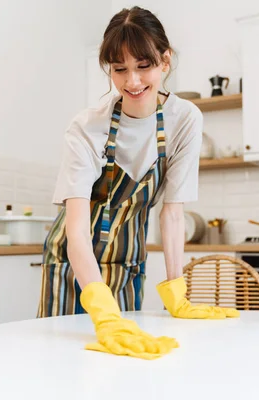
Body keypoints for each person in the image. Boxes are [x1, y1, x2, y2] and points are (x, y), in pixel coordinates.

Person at [37, 6, 238, 360]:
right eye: (120, 69)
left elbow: (172, 215)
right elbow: (77, 232)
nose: (132, 81)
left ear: (165, 61)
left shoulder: (185, 119)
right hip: (73, 265)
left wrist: (178, 294)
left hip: (129, 262)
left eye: (143, 66)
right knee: (64, 363)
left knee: (127, 364)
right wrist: (102, 310)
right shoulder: (86, 127)